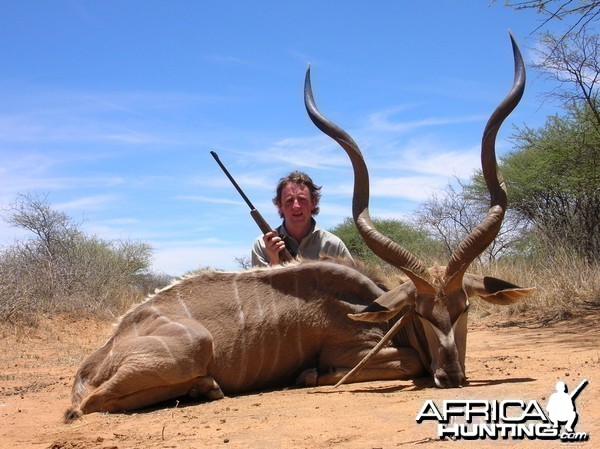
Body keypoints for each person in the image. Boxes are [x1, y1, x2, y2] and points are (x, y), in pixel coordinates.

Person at [251, 171, 352, 267]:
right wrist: (274, 262)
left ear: (313, 203)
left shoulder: (333, 245)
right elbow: (259, 285)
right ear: (279, 205)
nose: (296, 206)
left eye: (302, 199)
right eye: (289, 200)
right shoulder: (261, 245)